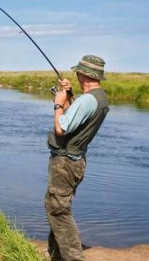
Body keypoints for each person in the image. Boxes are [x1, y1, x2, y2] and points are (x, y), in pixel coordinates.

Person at [45, 55, 109, 261]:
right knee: (55, 206)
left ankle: (73, 258)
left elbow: (61, 127)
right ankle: (56, 256)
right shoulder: (97, 98)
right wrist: (70, 95)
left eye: (78, 72)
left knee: (59, 211)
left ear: (84, 74)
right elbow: (77, 117)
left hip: (65, 163)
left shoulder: (89, 100)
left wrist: (58, 103)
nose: (76, 74)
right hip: (73, 162)